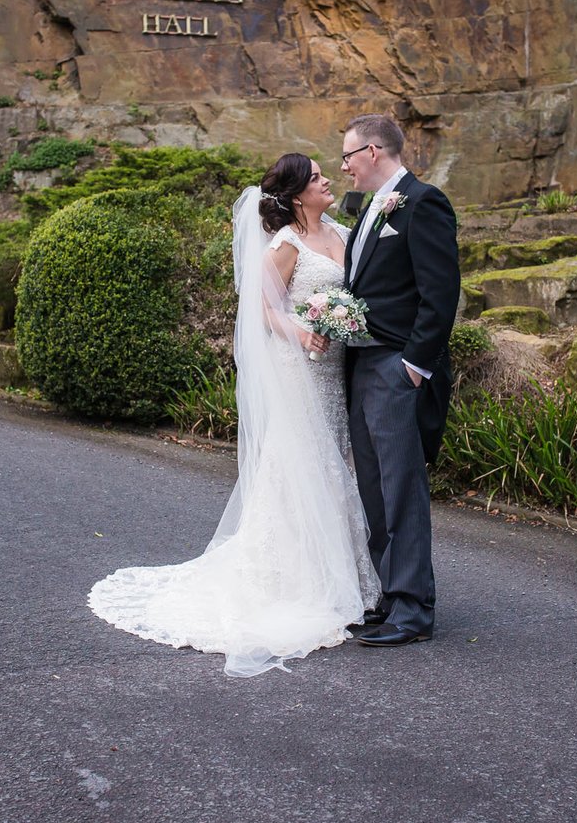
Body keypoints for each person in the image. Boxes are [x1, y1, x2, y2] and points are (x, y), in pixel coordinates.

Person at [88, 153, 380, 677]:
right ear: (297, 195)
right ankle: (300, 581)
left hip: (336, 368)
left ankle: (344, 576)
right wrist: (304, 330)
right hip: (300, 368)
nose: (328, 180)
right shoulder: (285, 245)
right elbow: (265, 310)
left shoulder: (339, 229)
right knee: (305, 465)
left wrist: (339, 323)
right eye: (317, 178)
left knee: (334, 461)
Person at [339, 113, 461, 647]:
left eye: (347, 156)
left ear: (372, 151)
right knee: (374, 486)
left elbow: (441, 294)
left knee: (401, 486)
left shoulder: (422, 202)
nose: (343, 166)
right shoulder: (369, 210)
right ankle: (389, 598)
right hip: (361, 366)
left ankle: (413, 610)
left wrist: (414, 366)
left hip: (395, 367)